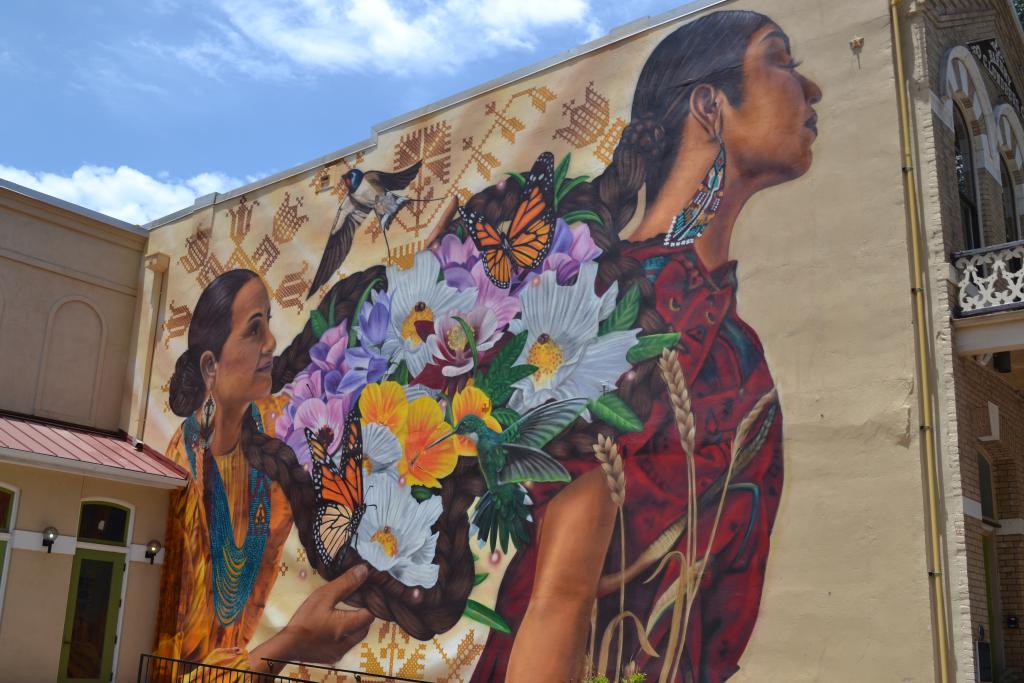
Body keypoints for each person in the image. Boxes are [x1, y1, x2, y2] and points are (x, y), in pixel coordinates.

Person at [468, 10, 822, 682]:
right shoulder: (603, 306)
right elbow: (557, 601)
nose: (814, 88)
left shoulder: (742, 354)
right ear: (708, 106)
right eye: (780, 57)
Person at [156, 269, 373, 673]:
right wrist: (290, 642)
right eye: (255, 330)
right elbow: (167, 671)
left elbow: (338, 370)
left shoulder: (274, 426)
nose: (272, 342)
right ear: (210, 367)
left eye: (269, 323)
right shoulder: (181, 486)